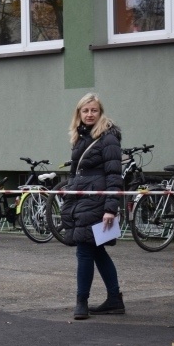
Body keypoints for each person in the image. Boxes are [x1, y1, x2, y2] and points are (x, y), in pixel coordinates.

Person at [60, 93, 125, 320]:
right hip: (82, 199)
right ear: (79, 113)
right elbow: (75, 172)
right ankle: (115, 299)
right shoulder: (81, 137)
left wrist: (110, 208)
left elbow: (114, 175)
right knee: (96, 250)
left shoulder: (107, 139)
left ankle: (81, 302)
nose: (89, 114)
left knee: (84, 250)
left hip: (96, 201)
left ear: (100, 112)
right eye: (85, 110)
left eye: (94, 110)